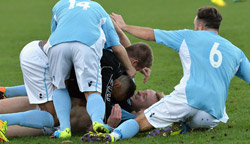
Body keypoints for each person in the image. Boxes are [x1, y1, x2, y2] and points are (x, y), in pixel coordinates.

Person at [83, 6, 250, 142]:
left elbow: (151, 34)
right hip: (212, 115)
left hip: (187, 99)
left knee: (139, 122)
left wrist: (125, 27)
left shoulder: (189, 36)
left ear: (199, 26)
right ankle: (183, 127)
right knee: (195, 120)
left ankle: (112, 137)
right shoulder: (236, 52)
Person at [43, 0, 137, 138]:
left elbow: (55, 31)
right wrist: (130, 68)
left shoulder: (59, 4)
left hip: (57, 44)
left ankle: (64, 129)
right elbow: (117, 47)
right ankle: (97, 122)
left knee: (59, 87)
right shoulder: (98, 8)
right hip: (87, 44)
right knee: (92, 91)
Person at [0, 89, 163, 139]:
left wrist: (110, 126)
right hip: (43, 103)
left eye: (145, 96)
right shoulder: (118, 89)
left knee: (4, 130)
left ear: (143, 110)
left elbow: (90, 134)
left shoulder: (126, 121)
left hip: (50, 126)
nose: (140, 92)